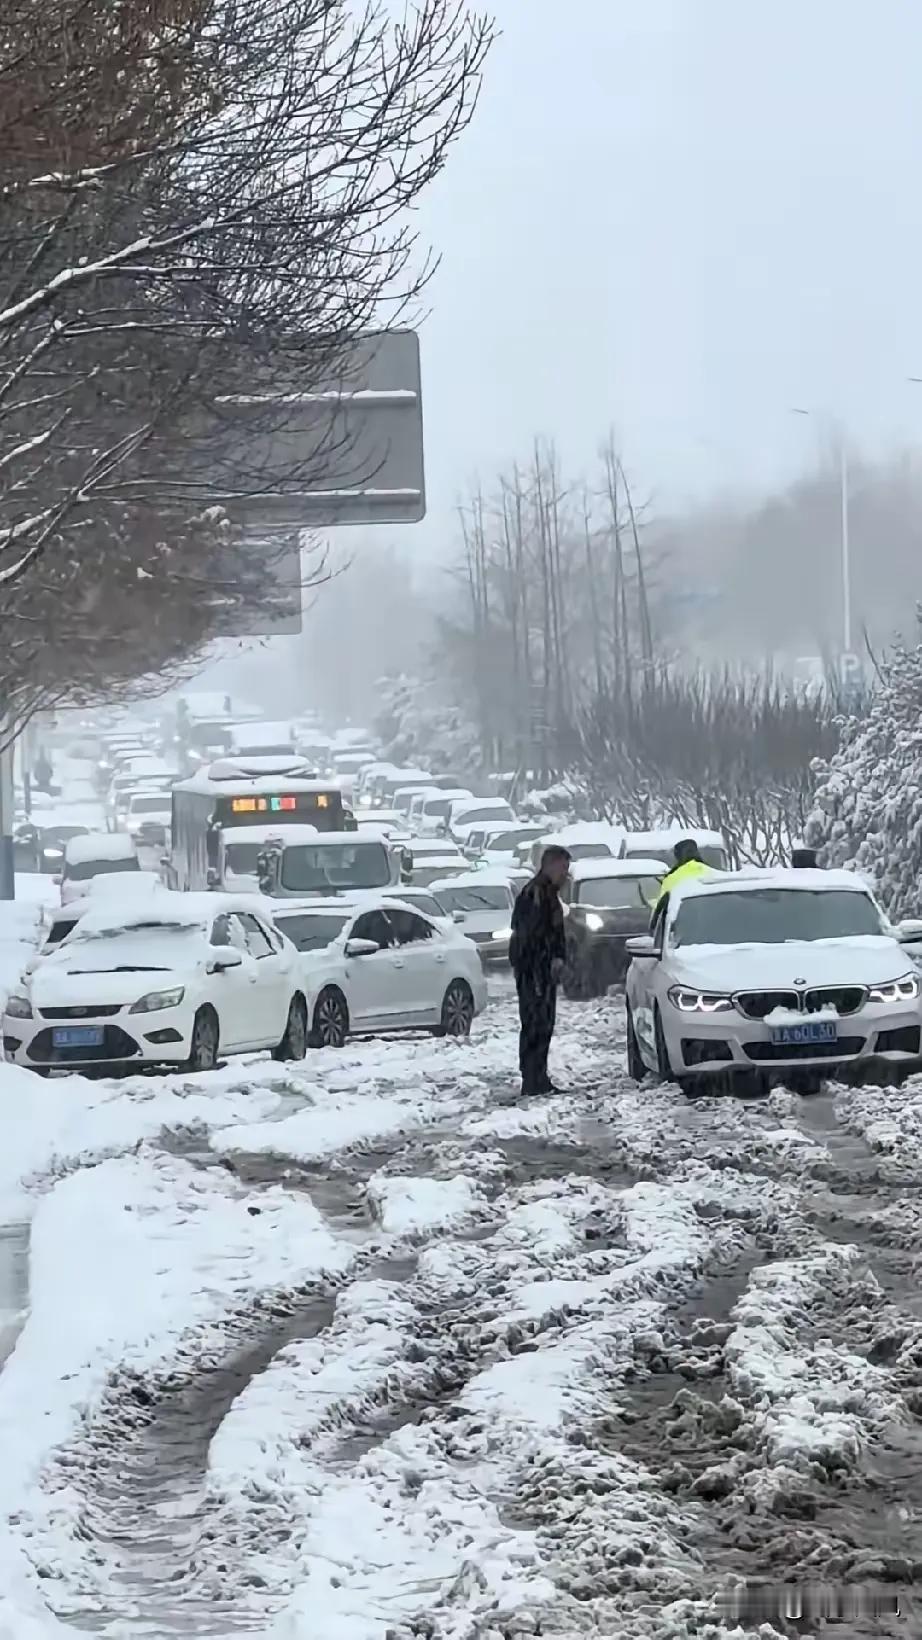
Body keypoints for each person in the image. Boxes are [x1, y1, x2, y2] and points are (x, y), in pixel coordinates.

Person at [509, 844, 570, 1096]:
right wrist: (542, 964)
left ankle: (538, 1077)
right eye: (563, 868)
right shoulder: (535, 894)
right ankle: (532, 1079)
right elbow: (530, 936)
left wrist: (558, 957)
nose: (566, 874)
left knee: (543, 1023)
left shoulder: (548, 893)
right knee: (536, 1024)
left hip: (541, 971)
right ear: (550, 865)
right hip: (534, 971)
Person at [651, 838, 712, 934]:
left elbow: (659, 913)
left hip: (682, 935)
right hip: (712, 930)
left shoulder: (671, 879)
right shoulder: (712, 873)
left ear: (678, 856)